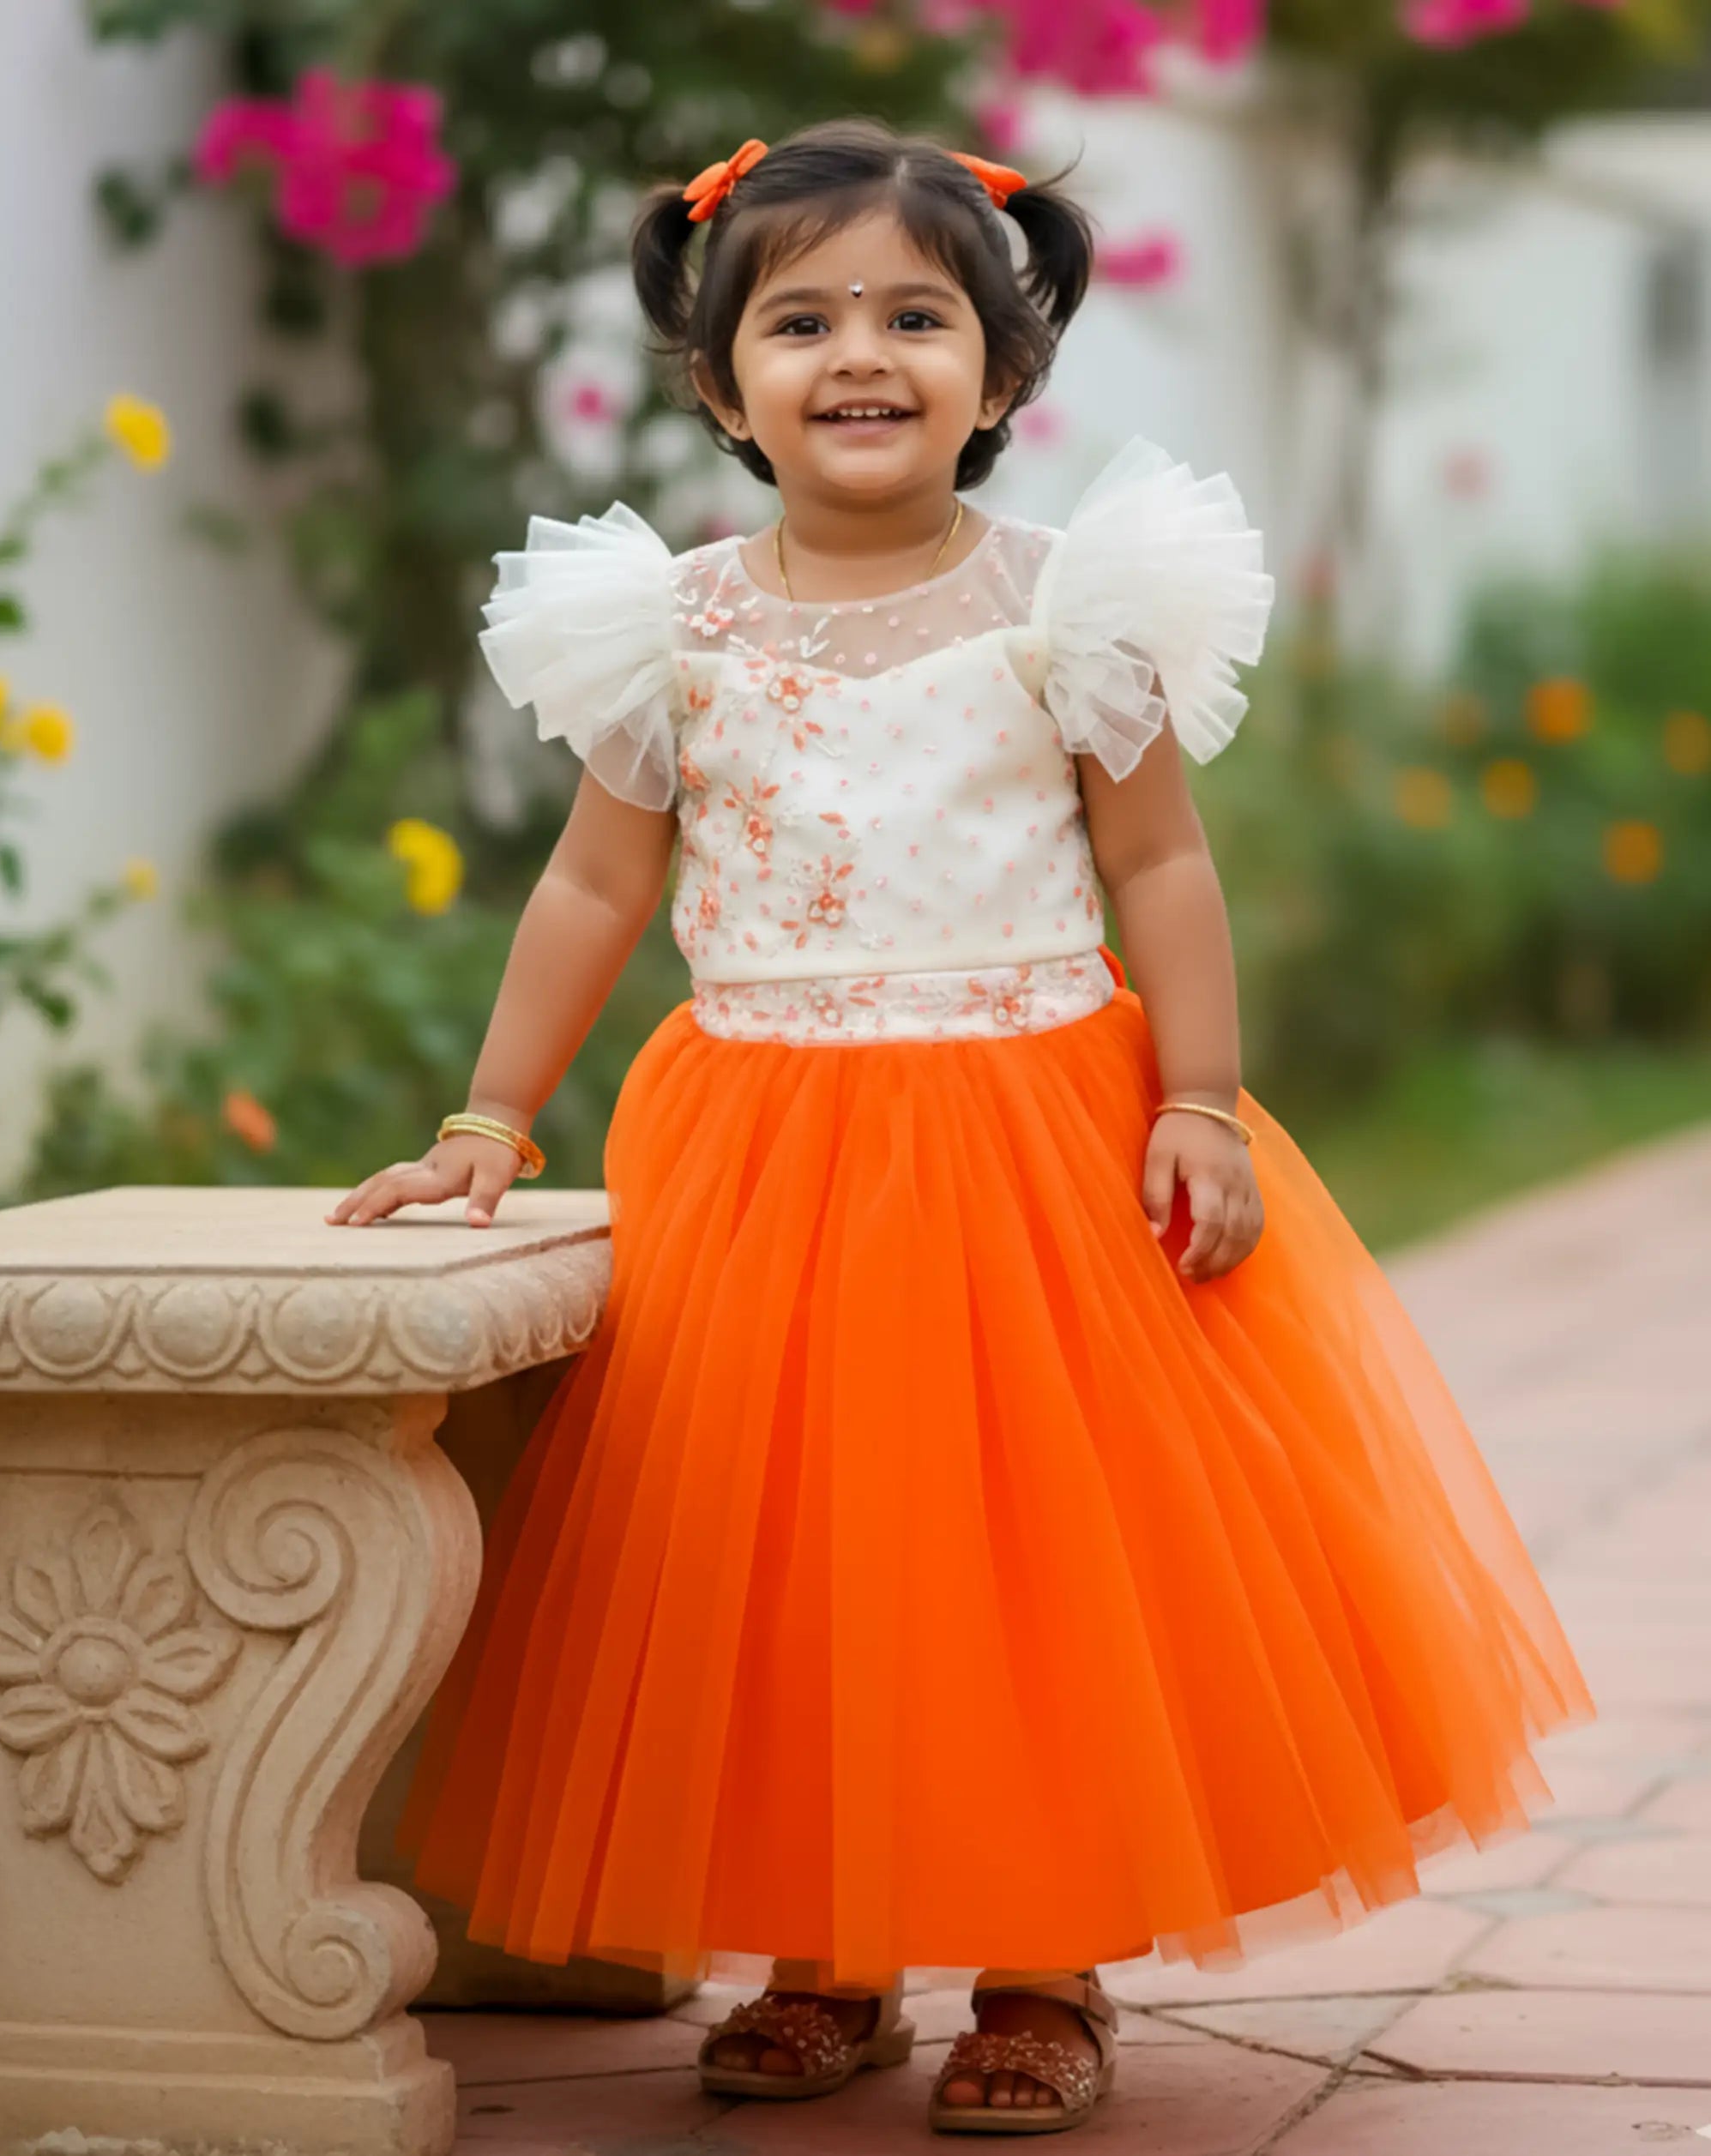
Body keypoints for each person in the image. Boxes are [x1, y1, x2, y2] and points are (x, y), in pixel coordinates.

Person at [328, 117, 1590, 2137]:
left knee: (1027, 1562)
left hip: (1027, 1134)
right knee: (779, 1550)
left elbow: (1161, 864)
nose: (860, 353)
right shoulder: (675, 629)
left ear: (999, 377)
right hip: (760, 1139)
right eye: (802, 316)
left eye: (915, 316)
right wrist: (493, 1112)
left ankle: (1038, 1961)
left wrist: (1194, 1098)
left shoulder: (1062, 608)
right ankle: (823, 1953)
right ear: (717, 379)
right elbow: (589, 889)